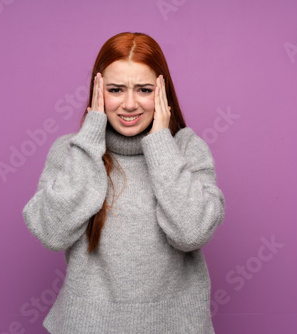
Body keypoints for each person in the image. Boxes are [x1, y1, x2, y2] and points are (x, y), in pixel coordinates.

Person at [22, 32, 225, 334]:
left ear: (162, 92)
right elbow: (52, 232)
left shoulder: (186, 150)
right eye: (116, 90)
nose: (130, 104)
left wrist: (159, 144)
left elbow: (191, 233)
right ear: (98, 91)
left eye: (144, 89)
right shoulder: (72, 150)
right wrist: (91, 135)